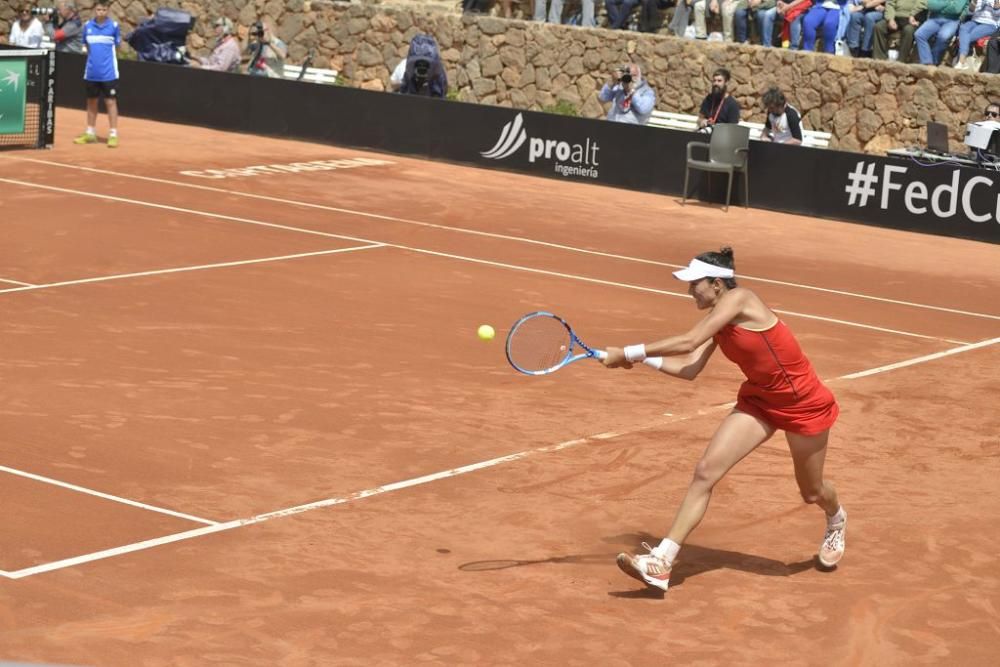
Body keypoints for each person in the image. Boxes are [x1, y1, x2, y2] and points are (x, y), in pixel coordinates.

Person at [605, 248, 847, 592]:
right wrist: (640, 362)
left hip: (803, 404)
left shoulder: (741, 298)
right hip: (760, 402)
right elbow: (689, 368)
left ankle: (836, 518)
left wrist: (629, 351)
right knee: (706, 471)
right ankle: (662, 561)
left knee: (812, 492)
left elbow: (689, 340)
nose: (690, 292)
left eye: (695, 285)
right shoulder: (719, 320)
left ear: (717, 284)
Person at [73, 1, 121, 148]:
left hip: (109, 74)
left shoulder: (113, 27)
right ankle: (90, 133)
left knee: (110, 102)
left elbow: (117, 49)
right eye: (99, 9)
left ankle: (113, 134)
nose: (101, 12)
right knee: (91, 102)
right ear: (95, 10)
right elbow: (85, 46)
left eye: (104, 10)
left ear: (108, 11)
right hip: (91, 73)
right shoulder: (87, 26)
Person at [914, 0, 968, 65]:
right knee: (919, 34)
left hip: (952, 20)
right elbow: (931, 5)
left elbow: (956, 9)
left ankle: (934, 62)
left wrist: (940, 6)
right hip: (934, 18)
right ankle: (927, 61)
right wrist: (948, 3)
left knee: (943, 37)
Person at [953, 0, 1000, 70]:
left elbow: (997, 15)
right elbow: (971, 11)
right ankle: (962, 62)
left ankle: (961, 61)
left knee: (967, 37)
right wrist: (974, 3)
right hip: (975, 21)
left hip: (990, 24)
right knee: (963, 28)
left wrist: (997, 8)